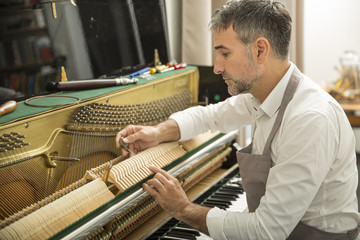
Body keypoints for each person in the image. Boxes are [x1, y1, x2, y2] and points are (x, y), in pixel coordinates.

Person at [115, 0, 360, 239]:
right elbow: (209, 115)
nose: (217, 68)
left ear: (260, 50)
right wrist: (157, 133)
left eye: (225, 54)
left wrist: (183, 209)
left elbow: (266, 231)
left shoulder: (309, 119)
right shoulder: (262, 94)